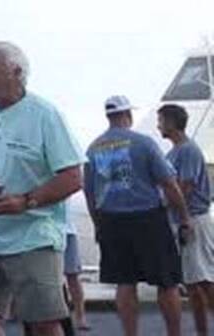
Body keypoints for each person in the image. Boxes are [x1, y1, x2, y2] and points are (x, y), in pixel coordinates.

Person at [0, 41, 83, 336]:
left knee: (42, 322)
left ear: (16, 72)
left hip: (32, 236)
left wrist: (26, 201)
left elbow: (73, 177)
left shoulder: (44, 115)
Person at [84, 95, 190, 336]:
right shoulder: (143, 143)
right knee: (167, 281)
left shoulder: (93, 149)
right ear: (127, 115)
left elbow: (91, 195)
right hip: (148, 219)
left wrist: (98, 226)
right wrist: (184, 218)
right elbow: (169, 184)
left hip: (111, 221)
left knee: (124, 282)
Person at [159, 103, 214, 335]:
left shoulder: (187, 151)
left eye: (161, 120)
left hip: (193, 220)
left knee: (204, 279)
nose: (158, 125)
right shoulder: (173, 152)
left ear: (172, 123)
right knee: (193, 284)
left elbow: (185, 186)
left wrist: (160, 205)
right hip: (183, 221)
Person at [61, 216, 88, 332]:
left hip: (66, 230)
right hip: (41, 234)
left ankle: (80, 317)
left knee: (73, 275)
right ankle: (11, 310)